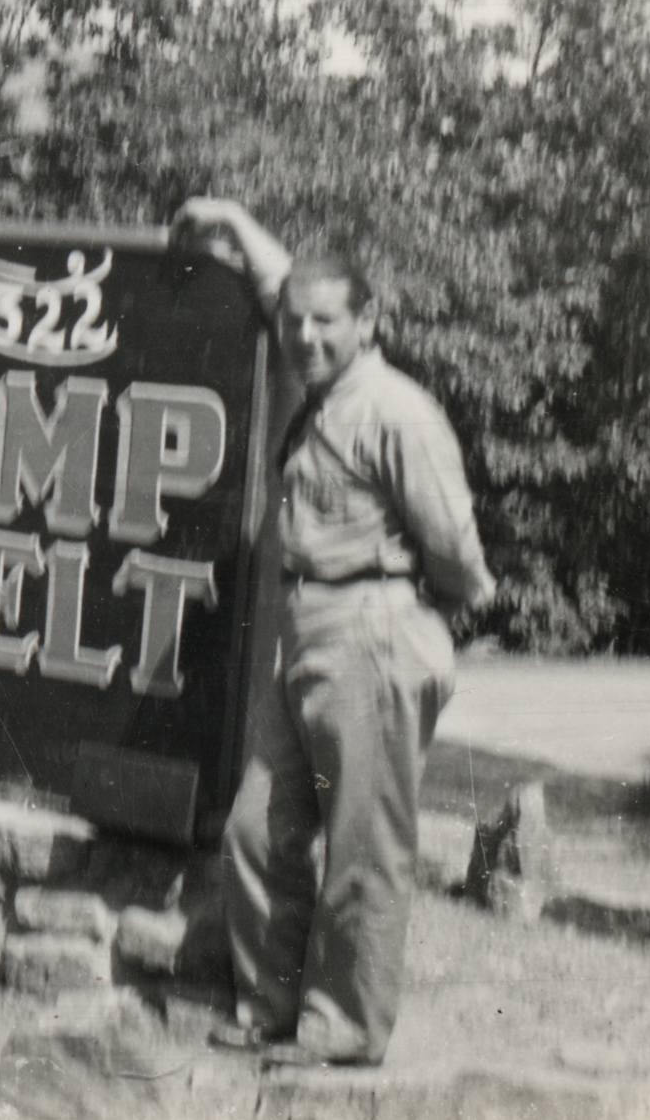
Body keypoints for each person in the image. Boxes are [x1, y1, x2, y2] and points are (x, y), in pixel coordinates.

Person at [174, 197, 496, 1067]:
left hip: (373, 629)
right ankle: (272, 1008)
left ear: (368, 323)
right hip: (306, 626)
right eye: (297, 323)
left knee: (363, 844)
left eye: (326, 324)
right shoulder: (318, 380)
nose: (306, 337)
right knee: (256, 827)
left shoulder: (396, 411)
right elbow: (290, 286)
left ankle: (342, 1028)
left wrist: (413, 608)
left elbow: (460, 554)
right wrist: (236, 222)